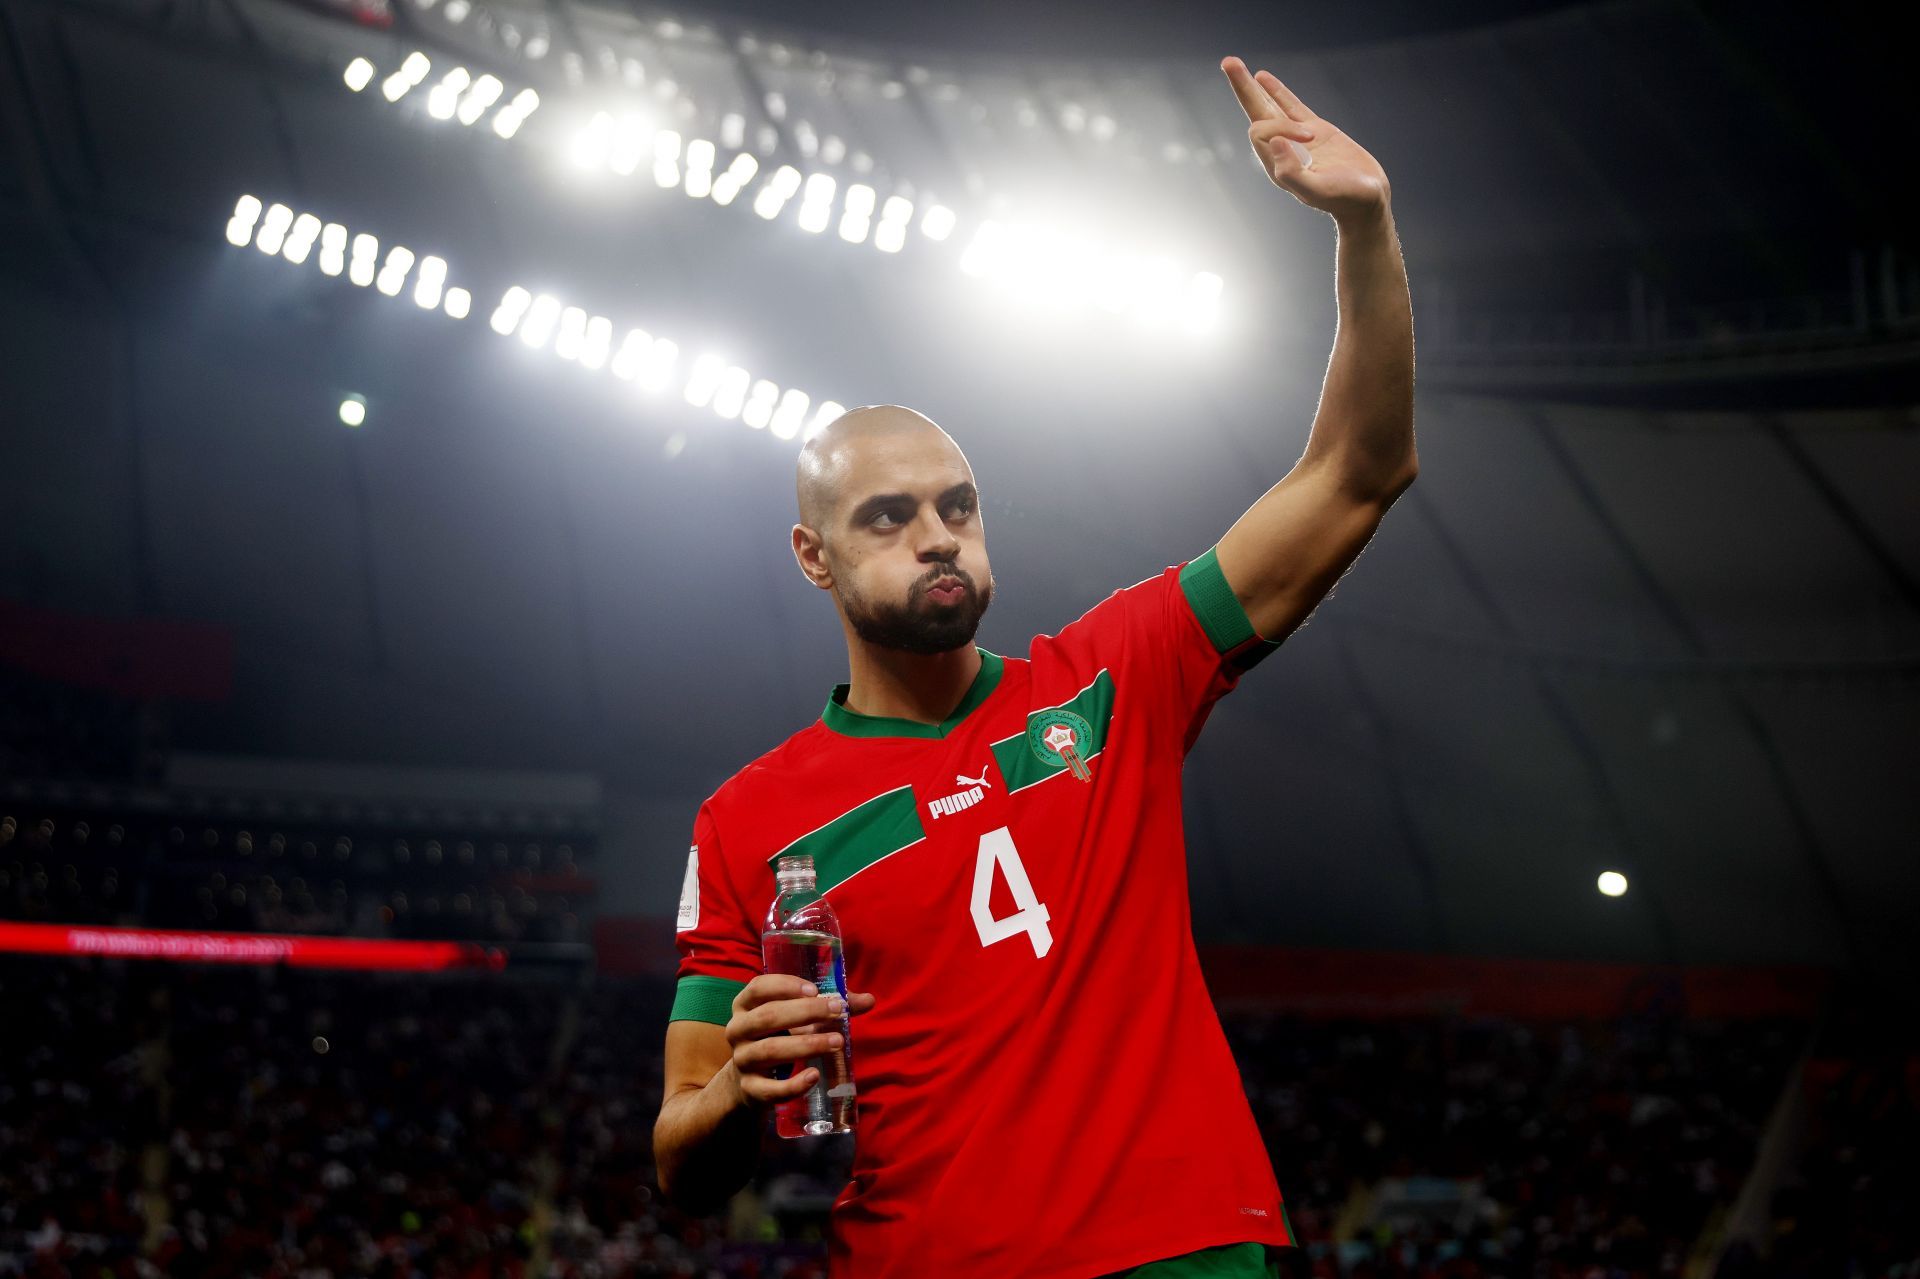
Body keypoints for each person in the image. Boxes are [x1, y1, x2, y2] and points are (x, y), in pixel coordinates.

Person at [654, 55, 1415, 1279]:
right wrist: (738, 1088)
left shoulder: (1115, 675)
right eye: (888, 517)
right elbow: (681, 1161)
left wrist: (1365, 230)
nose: (937, 533)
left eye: (957, 503)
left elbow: (1356, 474)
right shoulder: (749, 823)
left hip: (1188, 1252)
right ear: (813, 556)